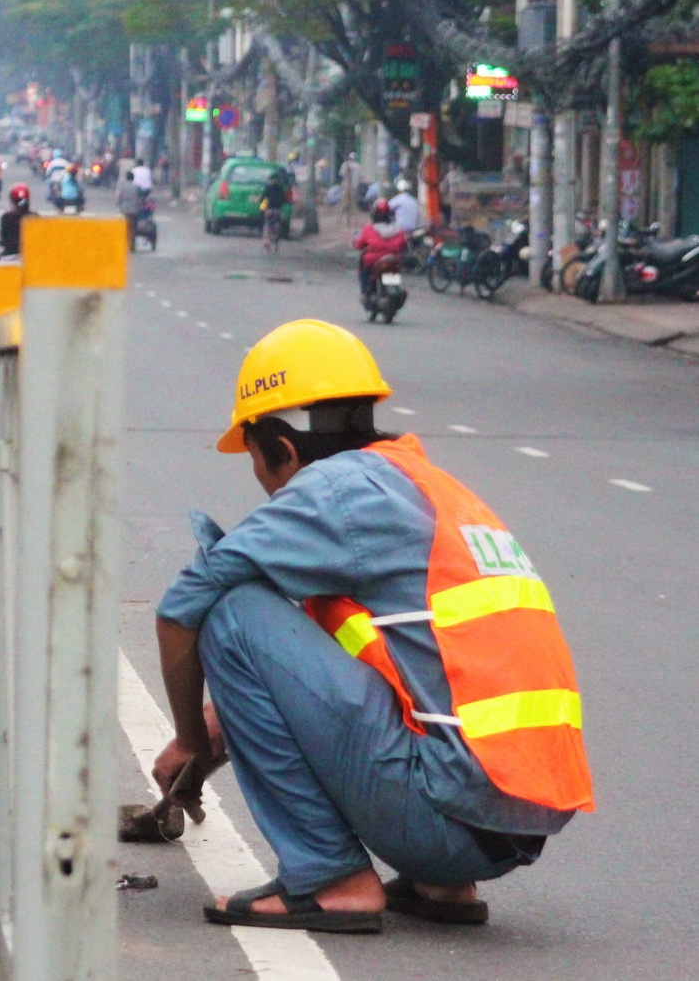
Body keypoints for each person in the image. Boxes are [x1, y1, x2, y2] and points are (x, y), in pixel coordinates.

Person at [150, 319, 593, 934]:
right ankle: (441, 885)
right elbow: (379, 657)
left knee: (230, 612)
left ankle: (329, 877)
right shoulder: (420, 485)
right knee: (318, 619)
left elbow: (181, 609)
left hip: (446, 816)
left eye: (259, 465)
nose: (266, 488)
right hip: (508, 828)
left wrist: (190, 744)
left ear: (280, 447)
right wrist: (218, 727)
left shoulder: (333, 490)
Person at [352, 198, 407, 301]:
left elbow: (359, 244)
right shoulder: (398, 229)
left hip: (373, 260)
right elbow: (404, 244)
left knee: (364, 271)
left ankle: (365, 292)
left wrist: (355, 242)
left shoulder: (369, 229)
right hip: (394, 259)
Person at [0, 182, 35, 258]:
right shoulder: (34, 217)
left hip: (10, 256)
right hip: (32, 257)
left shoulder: (6, 218)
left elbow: (3, 237)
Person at [116, 170, 147, 248]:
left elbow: (119, 197)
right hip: (135, 209)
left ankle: (126, 240)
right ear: (133, 178)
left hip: (124, 209)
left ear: (126, 178)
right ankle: (132, 241)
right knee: (134, 226)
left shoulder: (122, 187)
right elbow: (142, 197)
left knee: (126, 225)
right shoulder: (137, 187)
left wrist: (119, 204)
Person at [258, 171, 289, 243]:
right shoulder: (281, 189)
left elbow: (262, 198)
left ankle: (267, 240)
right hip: (277, 210)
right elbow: (285, 200)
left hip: (269, 210)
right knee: (277, 222)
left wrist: (262, 207)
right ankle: (276, 234)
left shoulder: (267, 188)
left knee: (267, 224)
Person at [338, 153, 362, 226]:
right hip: (346, 185)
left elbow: (358, 176)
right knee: (344, 202)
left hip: (353, 186)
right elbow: (341, 173)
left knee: (352, 202)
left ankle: (354, 219)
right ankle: (341, 219)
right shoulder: (345, 164)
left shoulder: (356, 166)